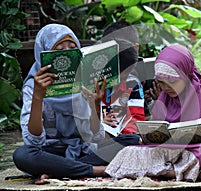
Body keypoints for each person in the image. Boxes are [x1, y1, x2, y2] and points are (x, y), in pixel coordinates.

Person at [12, 24, 140, 184]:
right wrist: (38, 97)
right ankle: (96, 170)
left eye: (72, 48)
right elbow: (33, 142)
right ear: (43, 53)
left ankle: (59, 171)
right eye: (59, 50)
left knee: (132, 140)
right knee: (23, 155)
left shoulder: (84, 80)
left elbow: (97, 137)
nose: (67, 54)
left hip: (84, 151)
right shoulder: (33, 86)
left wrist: (95, 104)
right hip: (50, 153)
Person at [104, 44, 201, 182]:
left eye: (173, 81)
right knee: (129, 151)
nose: (167, 87)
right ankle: (182, 172)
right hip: (166, 152)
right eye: (162, 82)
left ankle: (169, 171)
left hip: (195, 151)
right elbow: (156, 130)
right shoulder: (164, 98)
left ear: (186, 75)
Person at [100, 22, 146, 135]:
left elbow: (136, 119)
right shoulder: (92, 83)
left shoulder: (132, 83)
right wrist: (100, 125)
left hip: (122, 136)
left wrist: (125, 133)